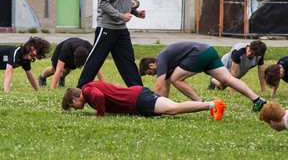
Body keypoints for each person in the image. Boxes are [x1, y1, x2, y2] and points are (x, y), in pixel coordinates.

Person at [77, 0, 145, 89]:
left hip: (121, 30)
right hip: (106, 28)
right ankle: (79, 91)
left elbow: (124, 3)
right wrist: (120, 16)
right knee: (96, 60)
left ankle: (140, 93)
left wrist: (136, 13)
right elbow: (102, 3)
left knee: (128, 61)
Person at [139, 41, 266, 112]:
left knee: (175, 79)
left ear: (151, 65)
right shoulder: (166, 65)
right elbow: (164, 90)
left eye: (150, 73)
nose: (153, 75)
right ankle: (257, 100)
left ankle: (201, 103)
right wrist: (162, 106)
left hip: (199, 53)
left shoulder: (160, 60)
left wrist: (151, 104)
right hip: (209, 50)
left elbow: (158, 85)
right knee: (228, 79)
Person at [62, 80, 226, 120]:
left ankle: (212, 104)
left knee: (173, 109)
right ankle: (211, 106)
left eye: (72, 105)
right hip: (138, 96)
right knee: (173, 108)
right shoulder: (89, 88)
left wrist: (99, 115)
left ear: (76, 98)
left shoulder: (88, 90)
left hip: (138, 100)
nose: (75, 108)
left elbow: (100, 96)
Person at [38, 37, 105, 89]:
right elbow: (59, 69)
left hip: (76, 51)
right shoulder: (66, 49)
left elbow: (96, 69)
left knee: (67, 70)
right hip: (61, 49)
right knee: (54, 69)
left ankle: (62, 77)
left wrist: (104, 85)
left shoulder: (90, 49)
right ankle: (42, 77)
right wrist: (52, 89)